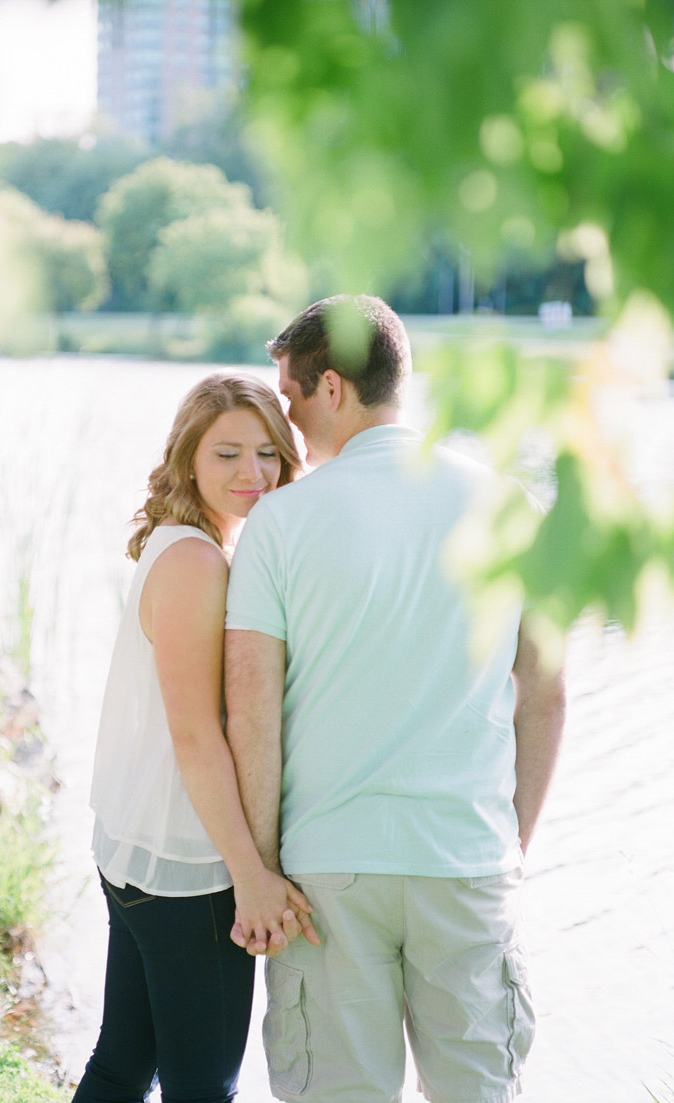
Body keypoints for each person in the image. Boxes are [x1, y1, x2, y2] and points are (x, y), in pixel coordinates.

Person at [224, 296, 567, 1103]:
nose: (287, 418)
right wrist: (508, 842)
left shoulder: (278, 522)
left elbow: (251, 712)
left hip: (327, 873)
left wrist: (263, 869)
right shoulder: (511, 507)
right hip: (464, 856)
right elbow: (545, 697)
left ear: (333, 387)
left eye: (291, 395)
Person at [73, 373, 319, 1103]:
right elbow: (194, 732)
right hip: (187, 866)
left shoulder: (184, 543)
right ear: (188, 461)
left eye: (269, 454)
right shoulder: (195, 561)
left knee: (124, 1064)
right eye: (228, 455)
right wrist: (251, 873)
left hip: (143, 851)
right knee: (202, 1086)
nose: (254, 473)